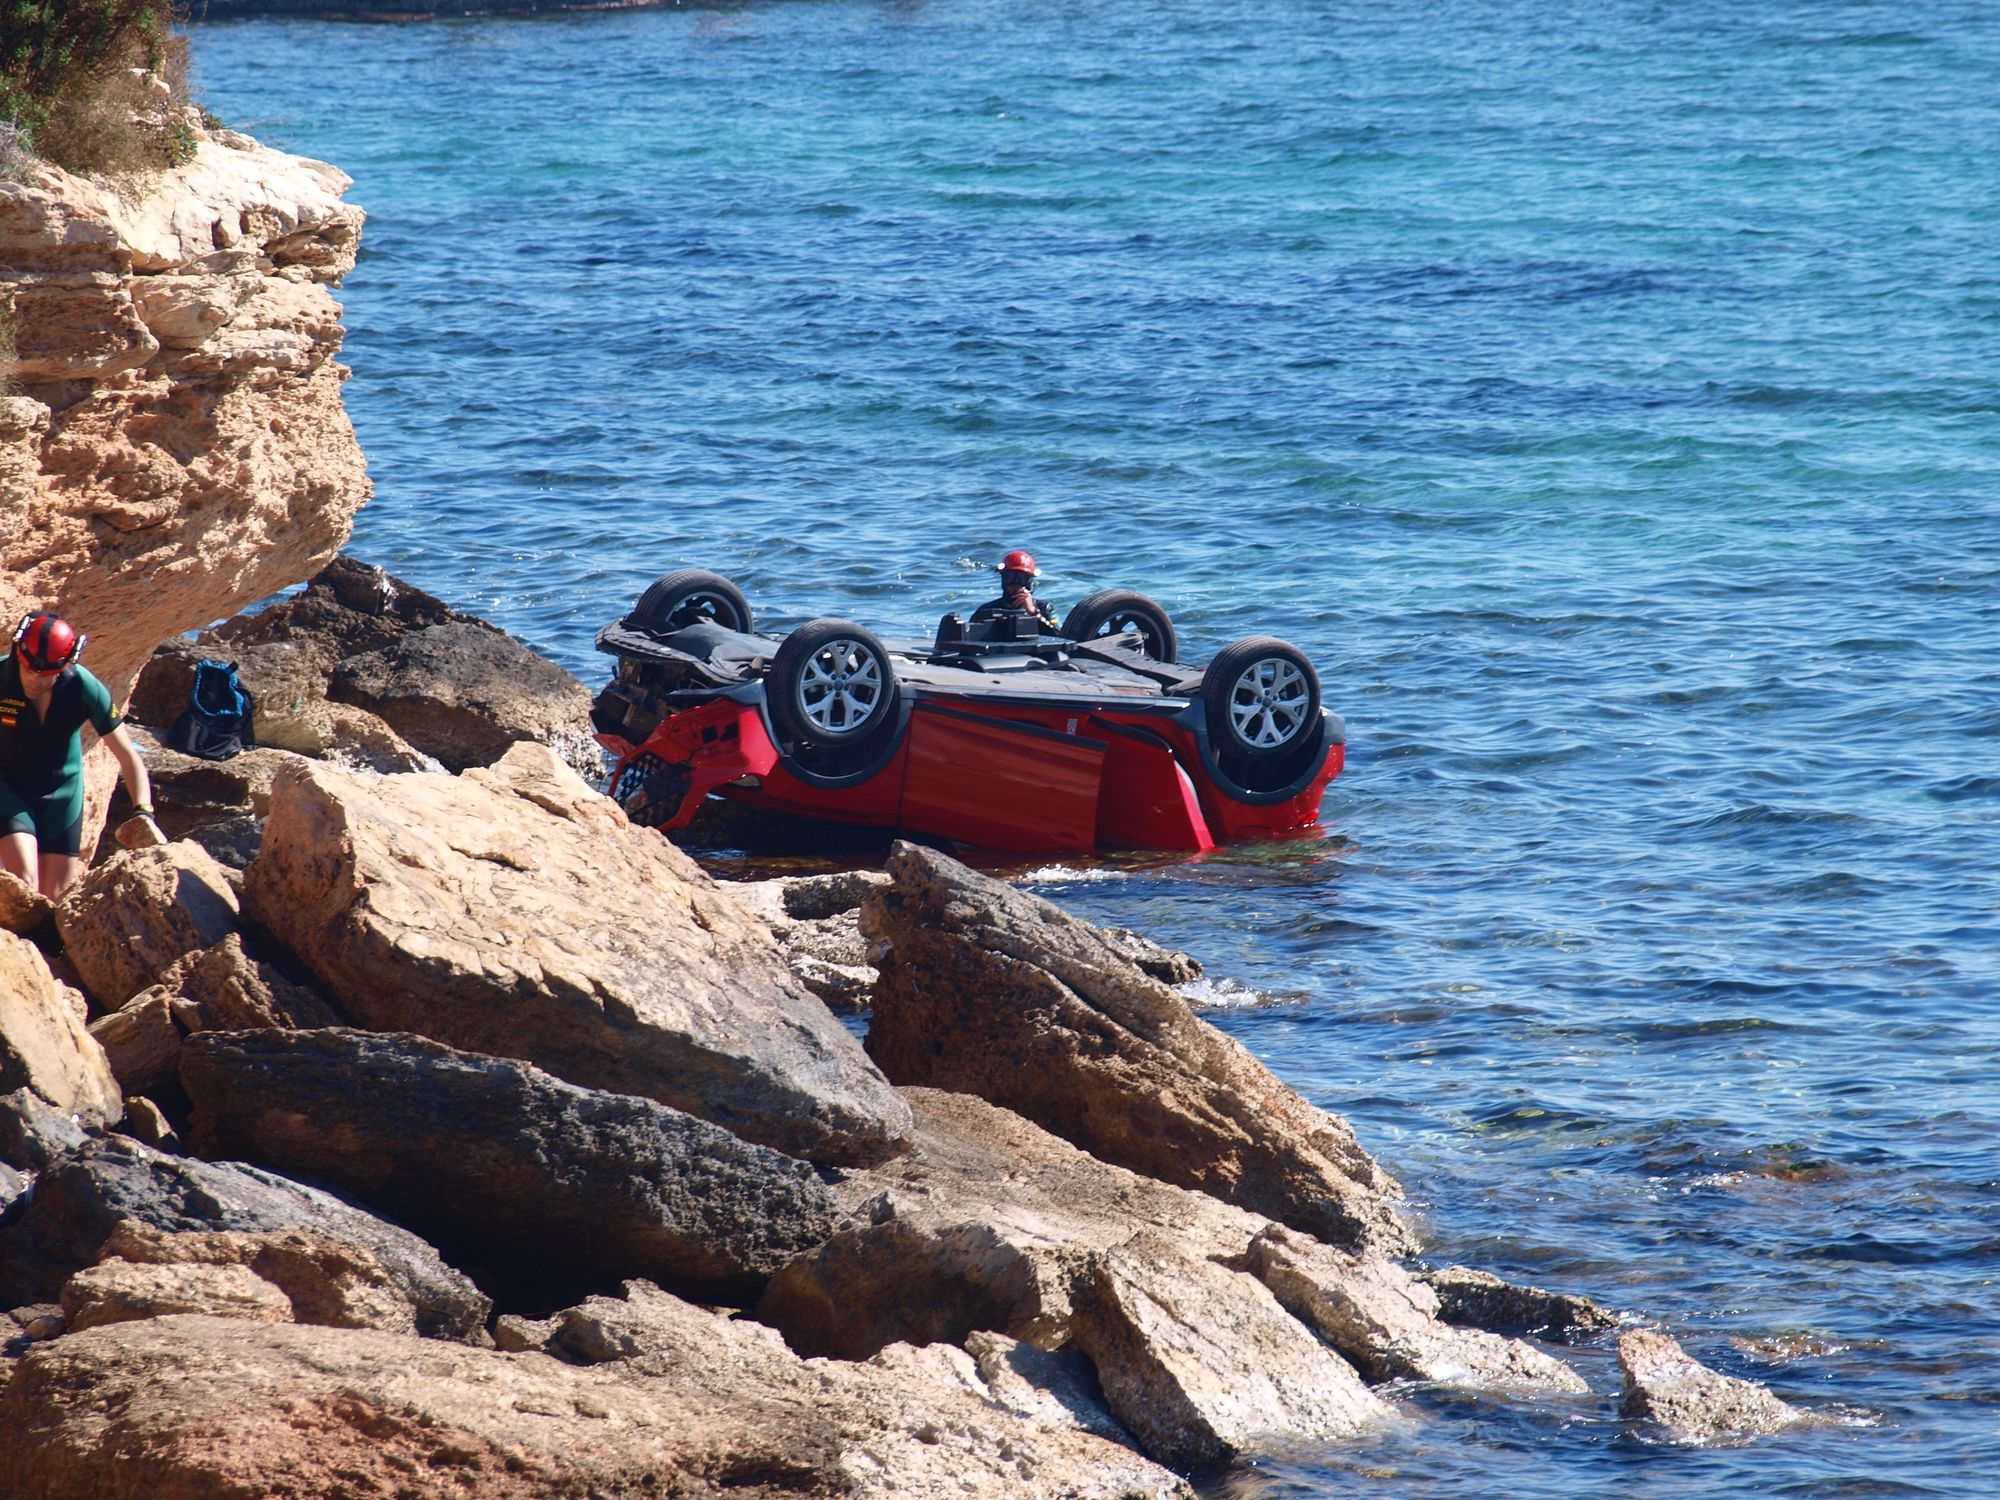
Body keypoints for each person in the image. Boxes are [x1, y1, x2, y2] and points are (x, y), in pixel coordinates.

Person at [1, 610, 163, 900]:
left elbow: (127, 755)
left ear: (64, 666)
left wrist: (144, 811)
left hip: (62, 793)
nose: (36, 681)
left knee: (58, 899)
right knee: (24, 882)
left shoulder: (84, 688)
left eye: (47, 675)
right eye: (29, 670)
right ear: (17, 652)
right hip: (10, 789)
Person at [970, 549, 1061, 632]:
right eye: (1011, 578)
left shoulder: (1044, 608)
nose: (1016, 585)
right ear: (1004, 579)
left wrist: (1034, 613)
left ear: (1029, 581)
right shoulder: (986, 611)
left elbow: (1060, 636)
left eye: (1022, 578)